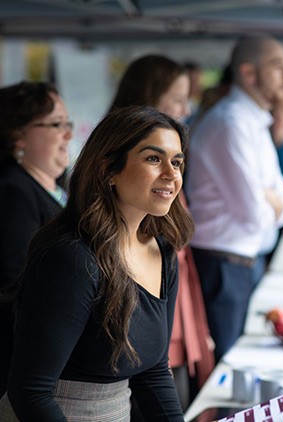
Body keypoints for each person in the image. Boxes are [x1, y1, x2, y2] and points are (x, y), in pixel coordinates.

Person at [0, 105, 194, 421]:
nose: (171, 175)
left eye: (177, 162)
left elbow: (154, 369)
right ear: (109, 170)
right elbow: (30, 392)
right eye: (153, 159)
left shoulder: (163, 252)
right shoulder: (73, 258)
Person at [109, 54, 215, 412]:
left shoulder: (162, 252)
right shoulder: (85, 256)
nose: (186, 107)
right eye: (177, 97)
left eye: (177, 162)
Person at [186, 34, 283, 363]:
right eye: (278, 67)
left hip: (242, 262)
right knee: (228, 367)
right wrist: (270, 201)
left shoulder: (253, 121)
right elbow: (255, 214)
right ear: (248, 73)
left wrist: (272, 199)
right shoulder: (231, 122)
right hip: (223, 264)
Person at [0, 81, 72, 397]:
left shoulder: (49, 186)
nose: (68, 133)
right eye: (57, 124)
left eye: (67, 123)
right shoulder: (13, 191)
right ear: (18, 135)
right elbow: (17, 279)